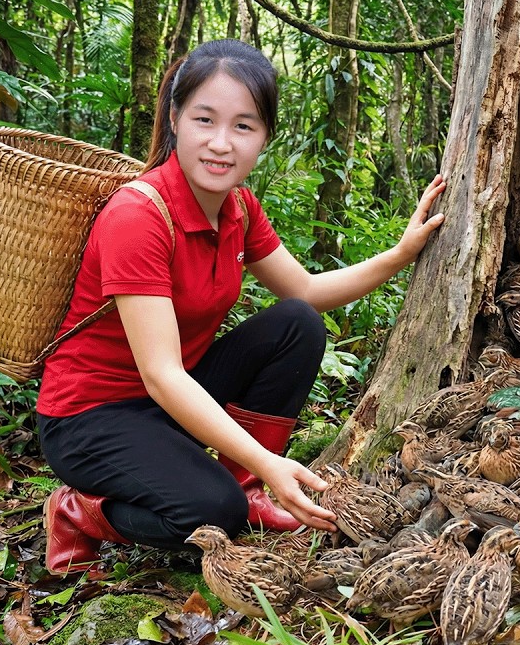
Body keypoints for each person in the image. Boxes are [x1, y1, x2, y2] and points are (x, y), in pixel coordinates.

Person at [37, 39, 446, 574]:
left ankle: (250, 489)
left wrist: (400, 253)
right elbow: (161, 375)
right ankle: (79, 512)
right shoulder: (136, 216)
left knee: (296, 322)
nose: (221, 144)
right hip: (91, 418)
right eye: (205, 120)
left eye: (244, 126)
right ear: (176, 119)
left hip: (167, 404)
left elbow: (307, 291)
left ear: (265, 138)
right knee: (212, 514)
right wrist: (271, 460)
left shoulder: (238, 208)